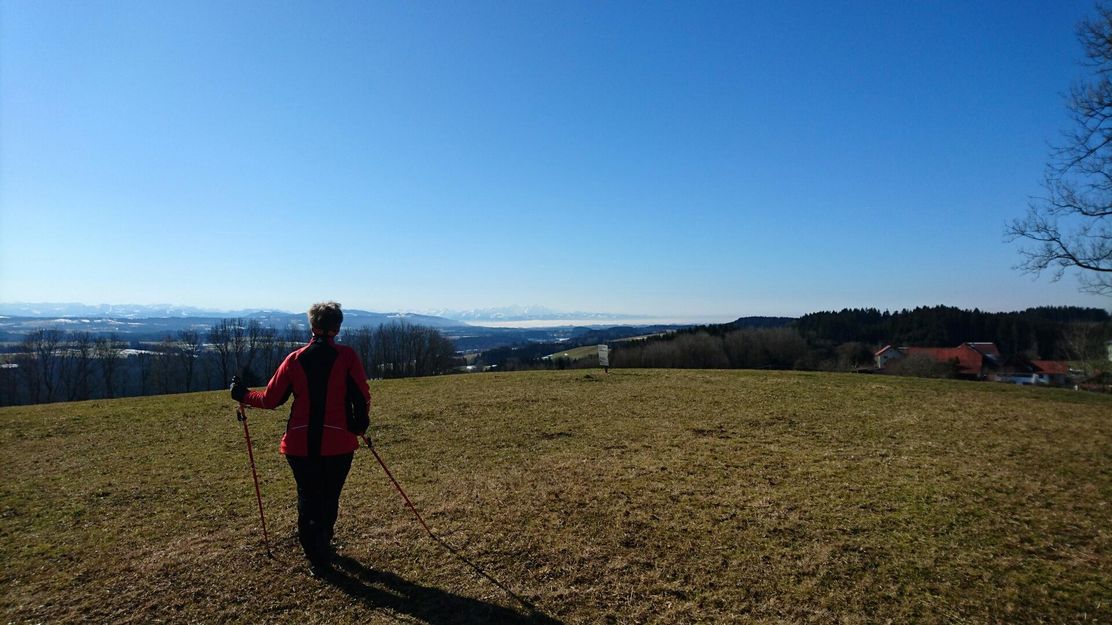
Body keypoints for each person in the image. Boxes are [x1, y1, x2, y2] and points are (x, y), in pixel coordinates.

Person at [231, 301, 370, 575]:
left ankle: (316, 555)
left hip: (299, 444)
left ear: (313, 326)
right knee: (330, 497)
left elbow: (271, 400)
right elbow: (362, 396)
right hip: (339, 443)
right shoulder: (347, 357)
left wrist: (242, 394)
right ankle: (323, 544)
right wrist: (359, 425)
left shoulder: (295, 359)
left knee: (308, 498)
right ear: (337, 327)